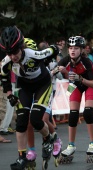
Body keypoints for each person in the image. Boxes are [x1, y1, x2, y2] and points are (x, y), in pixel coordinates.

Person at [0, 26, 59, 170]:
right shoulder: (6, 62)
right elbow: (4, 78)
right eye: (9, 53)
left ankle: (48, 139)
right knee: (21, 122)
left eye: (15, 51)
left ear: (21, 47)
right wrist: (10, 95)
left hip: (42, 85)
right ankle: (22, 158)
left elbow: (54, 49)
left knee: (35, 120)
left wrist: (50, 55)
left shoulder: (33, 54)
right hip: (24, 87)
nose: (13, 56)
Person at [58, 36, 93, 163]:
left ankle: (92, 143)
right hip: (75, 85)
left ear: (81, 50)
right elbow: (55, 69)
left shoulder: (87, 62)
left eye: (76, 48)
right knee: (73, 114)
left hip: (89, 84)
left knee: (87, 112)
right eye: (70, 48)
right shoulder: (66, 59)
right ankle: (71, 145)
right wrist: (59, 70)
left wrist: (79, 78)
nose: (72, 50)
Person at [23, 38, 62, 168]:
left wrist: (55, 71)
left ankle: (56, 140)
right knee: (29, 121)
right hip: (33, 92)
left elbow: (60, 76)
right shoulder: (21, 62)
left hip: (48, 90)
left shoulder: (45, 59)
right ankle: (32, 150)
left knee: (44, 118)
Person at [0, 70, 16, 135]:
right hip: (4, 81)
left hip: (12, 80)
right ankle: (2, 127)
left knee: (11, 105)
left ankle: (5, 127)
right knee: (4, 105)